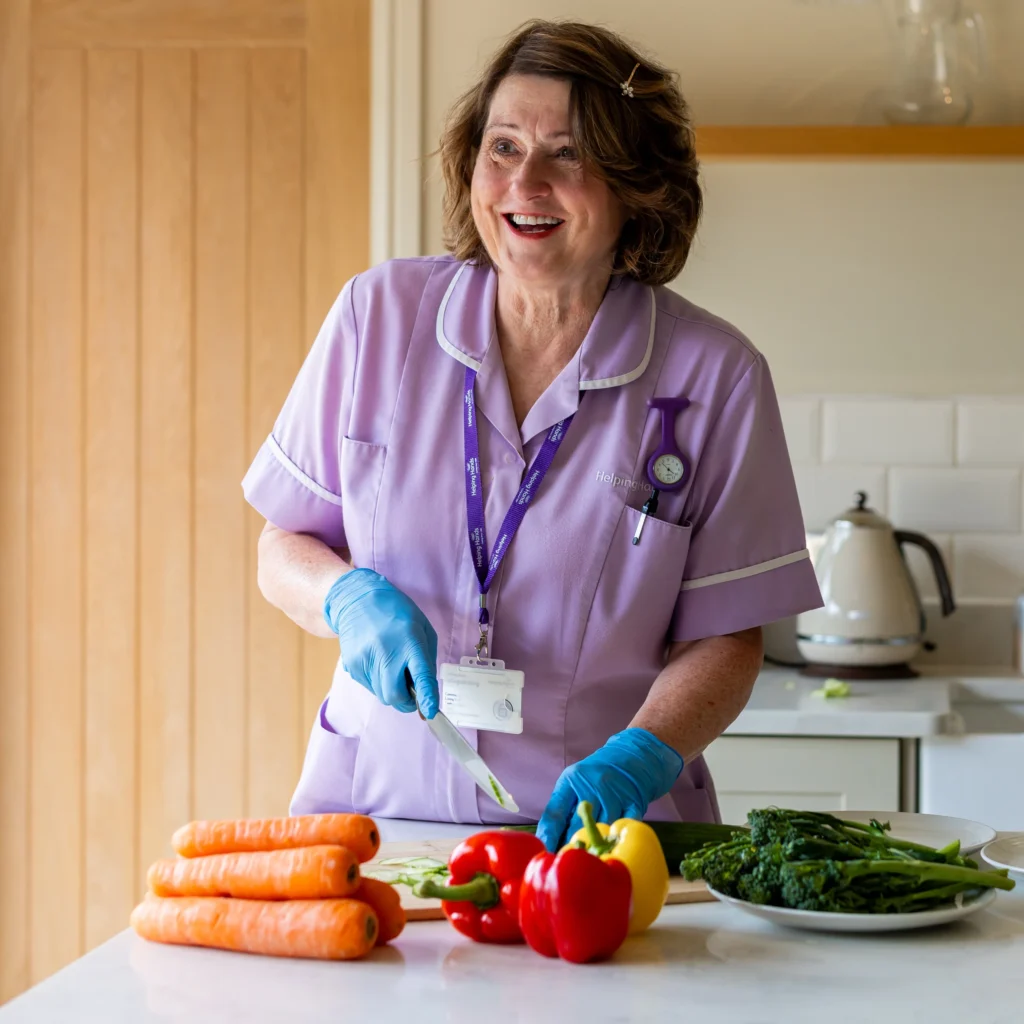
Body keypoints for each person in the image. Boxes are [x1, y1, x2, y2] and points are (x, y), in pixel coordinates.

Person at [242, 19, 822, 850]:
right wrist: (345, 597)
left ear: (635, 185)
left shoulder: (714, 375)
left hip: (607, 840)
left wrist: (645, 752)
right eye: (504, 147)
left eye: (568, 154)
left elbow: (728, 636)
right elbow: (282, 547)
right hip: (383, 818)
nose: (527, 183)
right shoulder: (378, 318)